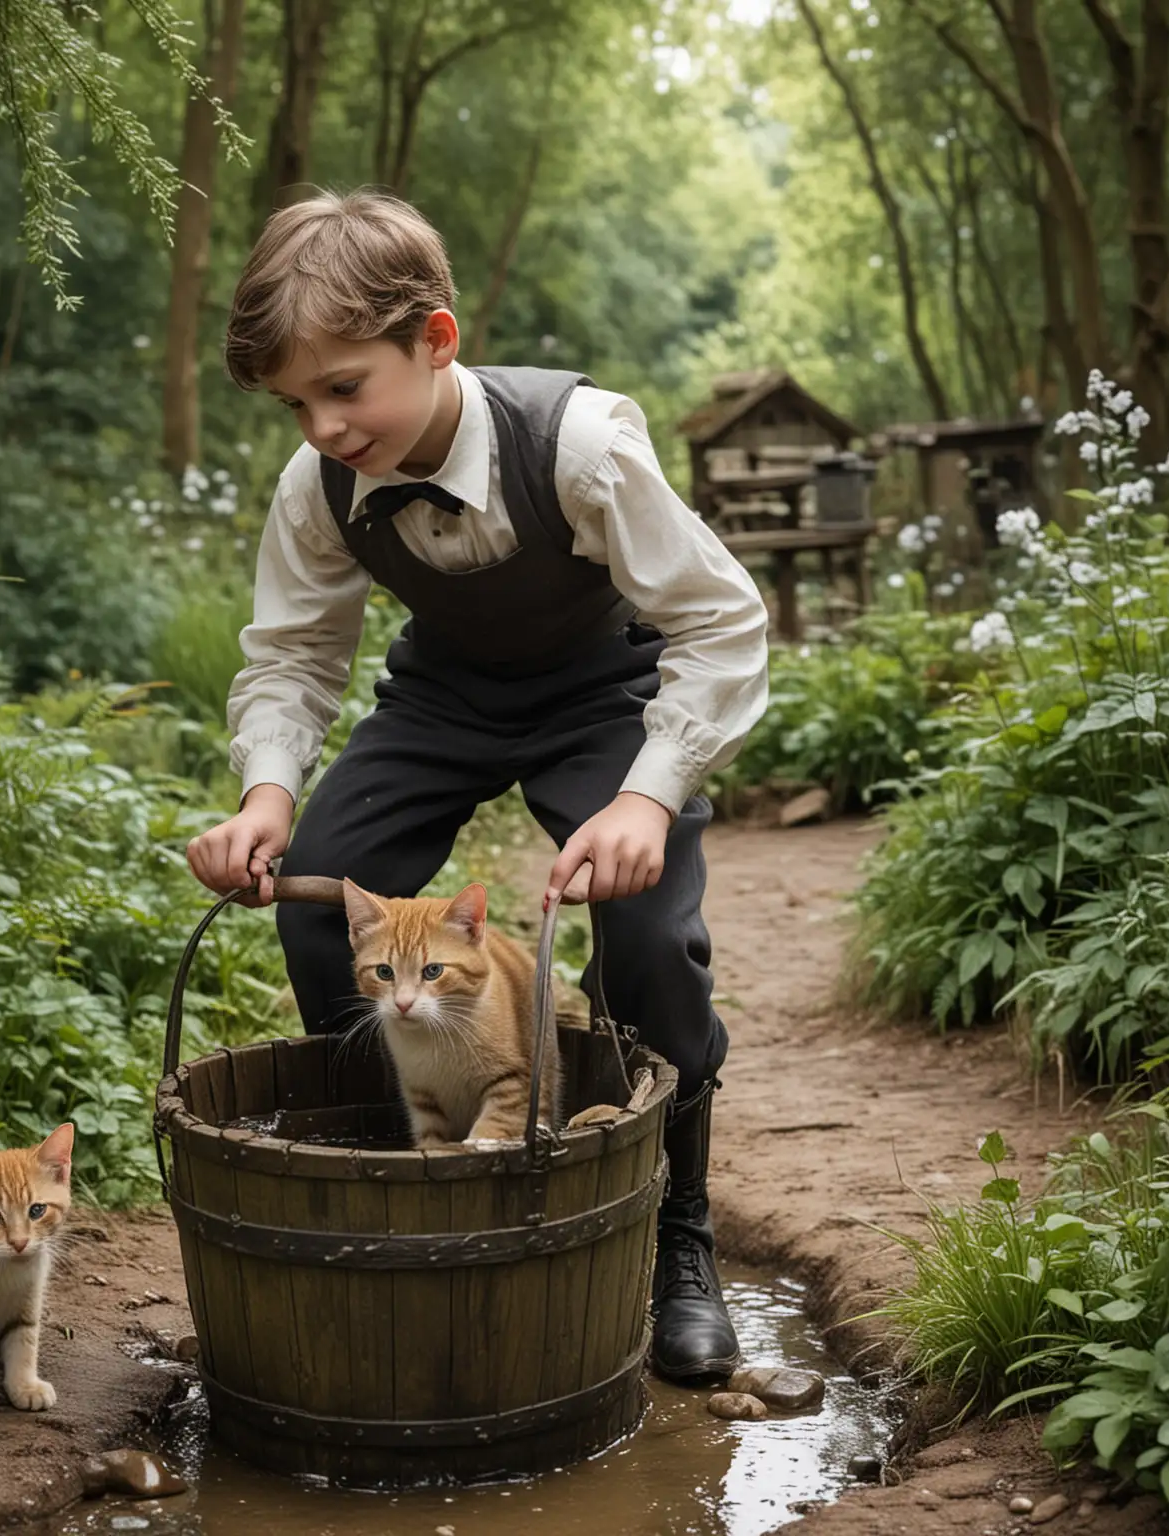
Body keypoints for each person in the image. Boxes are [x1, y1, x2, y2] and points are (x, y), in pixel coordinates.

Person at [186, 188, 769, 1382]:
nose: (323, 426)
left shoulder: (585, 443)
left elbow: (721, 625)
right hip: (444, 697)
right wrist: (265, 799)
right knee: (316, 901)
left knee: (650, 942)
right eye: (295, 403)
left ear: (434, 338)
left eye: (344, 388)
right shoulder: (320, 485)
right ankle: (392, 1195)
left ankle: (677, 1236)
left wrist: (647, 795)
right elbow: (294, 655)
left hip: (605, 694)